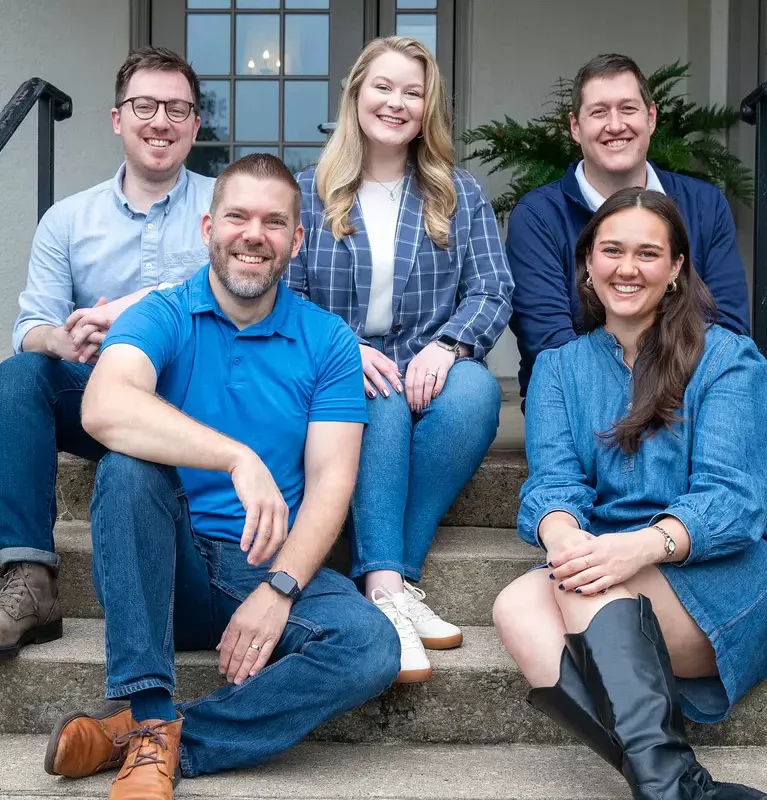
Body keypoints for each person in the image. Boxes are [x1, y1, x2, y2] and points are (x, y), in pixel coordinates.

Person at [44, 154, 399, 800]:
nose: (252, 235)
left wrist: (281, 588)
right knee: (125, 470)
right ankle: (149, 708)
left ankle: (156, 740)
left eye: (273, 222)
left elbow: (330, 484)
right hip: (164, 568)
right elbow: (102, 405)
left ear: (296, 239)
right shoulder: (163, 314)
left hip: (261, 561)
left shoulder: (327, 341)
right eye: (237, 216)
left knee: (372, 646)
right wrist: (237, 458)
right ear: (209, 226)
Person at [494, 188, 767, 799]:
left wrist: (634, 549)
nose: (626, 269)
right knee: (514, 606)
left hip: (727, 567)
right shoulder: (559, 368)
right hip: (611, 566)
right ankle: (676, 785)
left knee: (584, 585)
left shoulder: (726, 358)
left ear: (676, 268)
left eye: (647, 254)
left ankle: (670, 786)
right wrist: (565, 537)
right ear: (587, 263)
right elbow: (554, 482)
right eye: (611, 250)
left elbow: (736, 500)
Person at [286, 36, 513, 683]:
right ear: (356, 93)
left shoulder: (457, 193)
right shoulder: (309, 191)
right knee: (375, 393)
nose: (396, 102)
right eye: (383, 87)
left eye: (412, 92)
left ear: (427, 106)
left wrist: (448, 346)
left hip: (429, 363)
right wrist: (343, 347)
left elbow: (493, 288)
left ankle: (389, 580)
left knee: (475, 394)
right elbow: (284, 294)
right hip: (337, 367)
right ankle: (388, 590)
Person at [505, 53, 767, 512]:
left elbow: (727, 325)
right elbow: (547, 340)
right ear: (575, 127)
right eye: (598, 112)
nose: (614, 124)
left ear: (651, 116)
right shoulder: (538, 216)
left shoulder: (702, 204)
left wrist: (683, 387)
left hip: (689, 376)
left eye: (627, 108)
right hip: (583, 391)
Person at [0, 46, 214, 658]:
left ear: (196, 125)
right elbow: (31, 324)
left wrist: (134, 305)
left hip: (198, 402)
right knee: (19, 375)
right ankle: (30, 579)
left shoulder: (225, 205)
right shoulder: (67, 220)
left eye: (178, 109)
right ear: (117, 118)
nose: (161, 121)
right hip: (101, 402)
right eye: (145, 105)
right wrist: (58, 340)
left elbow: (250, 285)